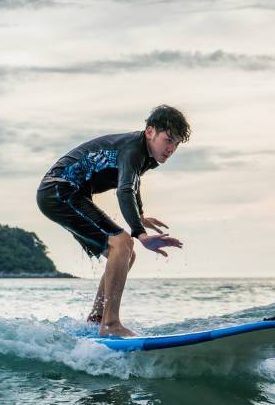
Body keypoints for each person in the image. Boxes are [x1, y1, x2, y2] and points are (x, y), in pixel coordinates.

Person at [36, 105, 190, 337]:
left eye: (176, 144)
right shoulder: (133, 149)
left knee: (126, 252)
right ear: (150, 132)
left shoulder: (146, 155)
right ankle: (110, 324)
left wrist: (138, 216)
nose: (171, 149)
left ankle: (97, 318)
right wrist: (141, 234)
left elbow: (131, 181)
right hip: (58, 190)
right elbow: (124, 190)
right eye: (168, 140)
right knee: (123, 243)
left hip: (68, 192)